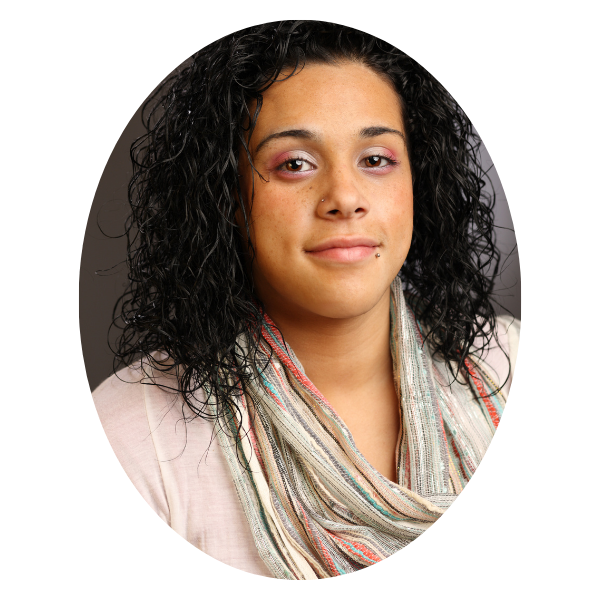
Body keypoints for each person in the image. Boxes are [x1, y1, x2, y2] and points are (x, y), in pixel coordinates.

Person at [91, 20, 520, 579]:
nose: (345, 197)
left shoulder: (505, 363)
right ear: (226, 195)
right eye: (294, 164)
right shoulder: (132, 436)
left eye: (376, 159)